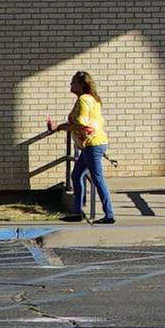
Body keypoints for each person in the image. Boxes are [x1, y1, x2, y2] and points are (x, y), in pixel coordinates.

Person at [48, 71, 114, 224]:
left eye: (73, 82)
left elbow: (81, 123)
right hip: (89, 144)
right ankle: (77, 212)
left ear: (81, 85)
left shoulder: (84, 100)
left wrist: (59, 127)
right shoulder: (91, 99)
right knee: (77, 175)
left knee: (97, 179)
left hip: (93, 144)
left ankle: (109, 214)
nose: (71, 84)